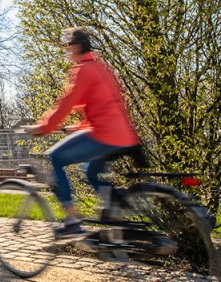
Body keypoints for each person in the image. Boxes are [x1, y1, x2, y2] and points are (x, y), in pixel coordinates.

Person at [25, 26, 140, 240]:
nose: (66, 52)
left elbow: (65, 105)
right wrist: (77, 128)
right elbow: (106, 107)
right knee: (91, 173)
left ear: (76, 46)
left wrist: (42, 128)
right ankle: (115, 212)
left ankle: (72, 222)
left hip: (105, 134)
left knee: (55, 157)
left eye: (67, 47)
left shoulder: (84, 70)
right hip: (124, 134)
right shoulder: (102, 67)